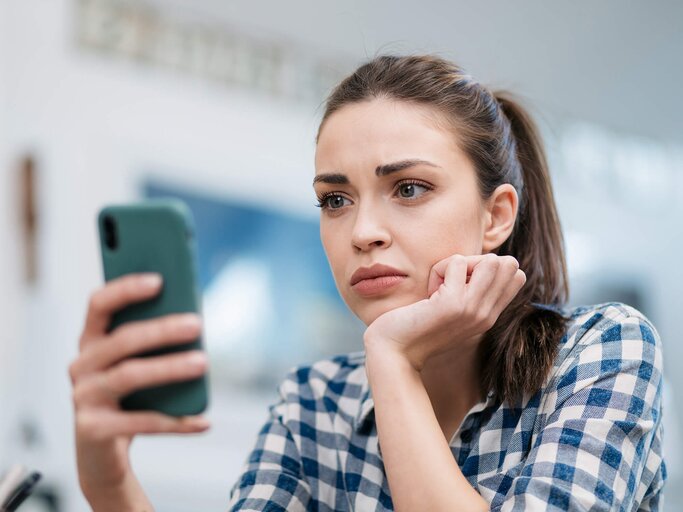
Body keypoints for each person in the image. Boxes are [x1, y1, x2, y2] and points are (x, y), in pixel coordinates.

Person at [69, 55, 666, 511]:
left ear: (497, 216)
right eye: (335, 199)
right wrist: (107, 477)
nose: (363, 231)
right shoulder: (313, 401)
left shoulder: (602, 350)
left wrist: (392, 359)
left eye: (409, 188)